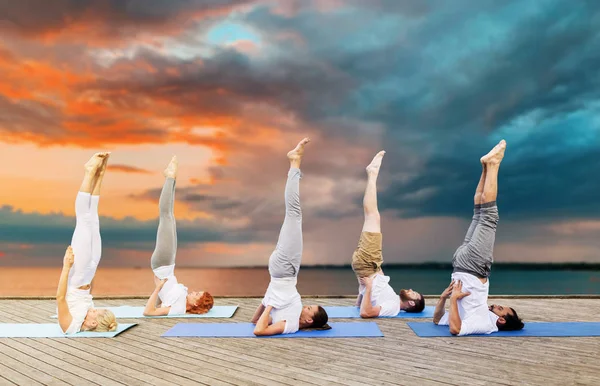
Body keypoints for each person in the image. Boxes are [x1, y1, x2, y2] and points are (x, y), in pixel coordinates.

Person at [433, 140, 524, 335]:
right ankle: (485, 167)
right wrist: (447, 300)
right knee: (480, 214)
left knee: (489, 217)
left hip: (473, 266)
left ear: (500, 320)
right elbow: (439, 320)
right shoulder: (481, 313)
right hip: (460, 264)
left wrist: (448, 299)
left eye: (501, 309)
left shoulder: (484, 323)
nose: (497, 305)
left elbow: (454, 329)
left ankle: (493, 165)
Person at [252, 138, 330, 336]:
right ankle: (294, 163)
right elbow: (254, 321)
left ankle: (294, 163)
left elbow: (259, 331)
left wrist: (271, 305)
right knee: (293, 215)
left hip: (285, 268)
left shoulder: (292, 324)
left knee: (294, 213)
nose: (306, 306)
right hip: (282, 271)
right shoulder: (289, 312)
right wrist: (268, 302)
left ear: (308, 320)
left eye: (309, 309)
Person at [352, 150, 425, 318]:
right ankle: (372, 174)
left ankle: (372, 174)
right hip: (370, 265)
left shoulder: (393, 307)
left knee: (373, 215)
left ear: (411, 303)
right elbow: (360, 305)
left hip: (368, 265)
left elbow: (365, 313)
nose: (411, 290)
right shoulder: (392, 298)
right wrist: (363, 292)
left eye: (414, 294)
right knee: (373, 216)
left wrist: (368, 287)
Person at [143, 156, 214, 316]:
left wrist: (158, 288)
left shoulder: (179, 309)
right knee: (170, 217)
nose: (194, 292)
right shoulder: (180, 303)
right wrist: (160, 294)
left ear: (196, 304)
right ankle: (171, 177)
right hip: (168, 264)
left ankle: (170, 177)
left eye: (197, 295)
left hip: (163, 264)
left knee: (166, 216)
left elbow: (148, 312)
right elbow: (163, 301)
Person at [56, 153, 117, 334]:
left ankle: (89, 172)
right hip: (88, 274)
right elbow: (86, 296)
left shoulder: (72, 326)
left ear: (92, 324)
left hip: (76, 276)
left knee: (84, 221)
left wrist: (66, 266)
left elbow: (60, 298)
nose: (94, 310)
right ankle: (100, 175)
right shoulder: (87, 316)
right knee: (94, 220)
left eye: (96, 313)